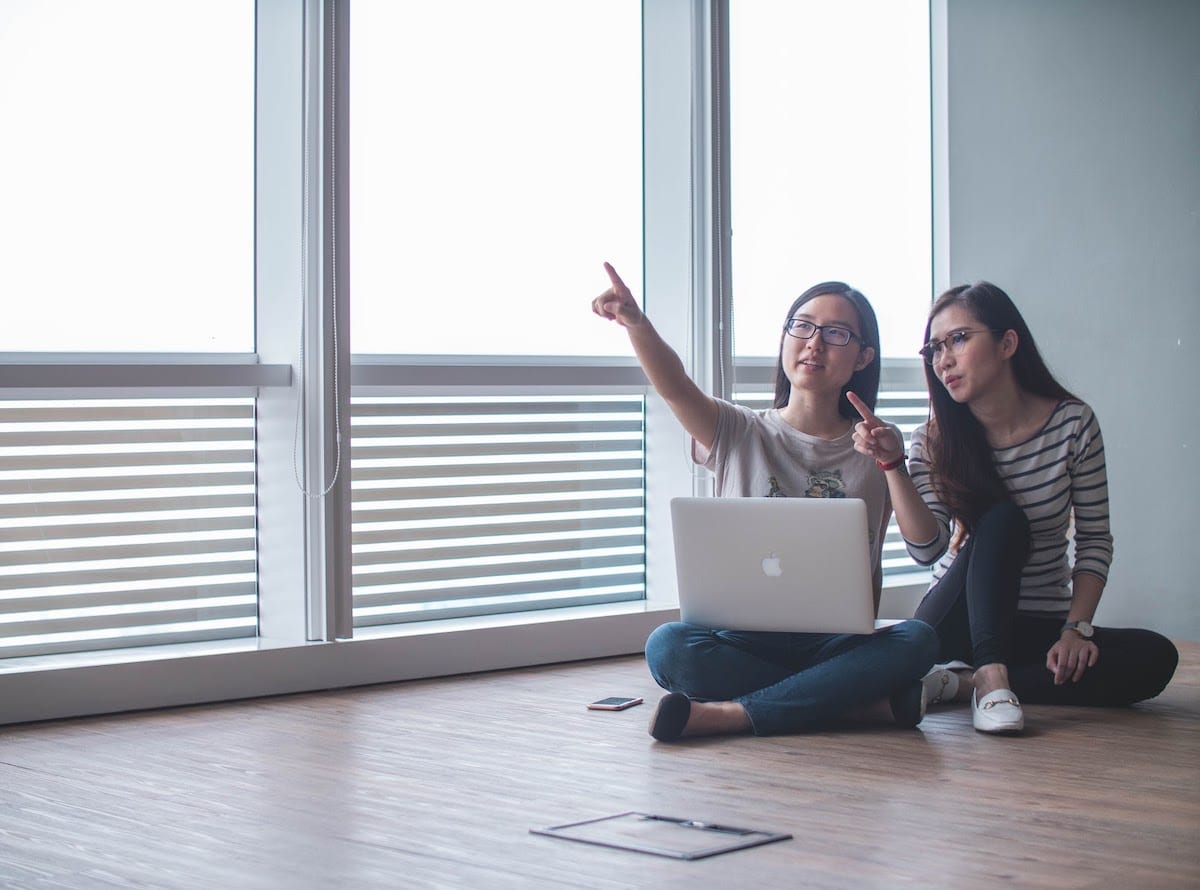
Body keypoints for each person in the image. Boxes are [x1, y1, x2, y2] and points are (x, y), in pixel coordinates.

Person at [591, 262, 939, 741]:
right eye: (803, 326)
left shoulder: (877, 443)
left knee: (918, 640)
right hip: (740, 639)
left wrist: (892, 465)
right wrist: (636, 323)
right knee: (668, 646)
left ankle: (731, 714)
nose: (815, 342)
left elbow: (927, 545)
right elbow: (675, 386)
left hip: (836, 644)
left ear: (863, 357)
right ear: (785, 339)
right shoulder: (736, 430)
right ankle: (852, 704)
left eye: (837, 334)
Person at [856, 280, 1178, 734]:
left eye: (959, 339)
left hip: (1036, 623)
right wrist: (892, 465)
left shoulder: (1072, 425)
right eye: (934, 348)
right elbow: (928, 551)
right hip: (955, 620)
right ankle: (989, 674)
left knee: (1155, 658)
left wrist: (1076, 629)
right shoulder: (932, 439)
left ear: (1007, 343)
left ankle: (959, 684)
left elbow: (1094, 541)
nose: (943, 359)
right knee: (1004, 520)